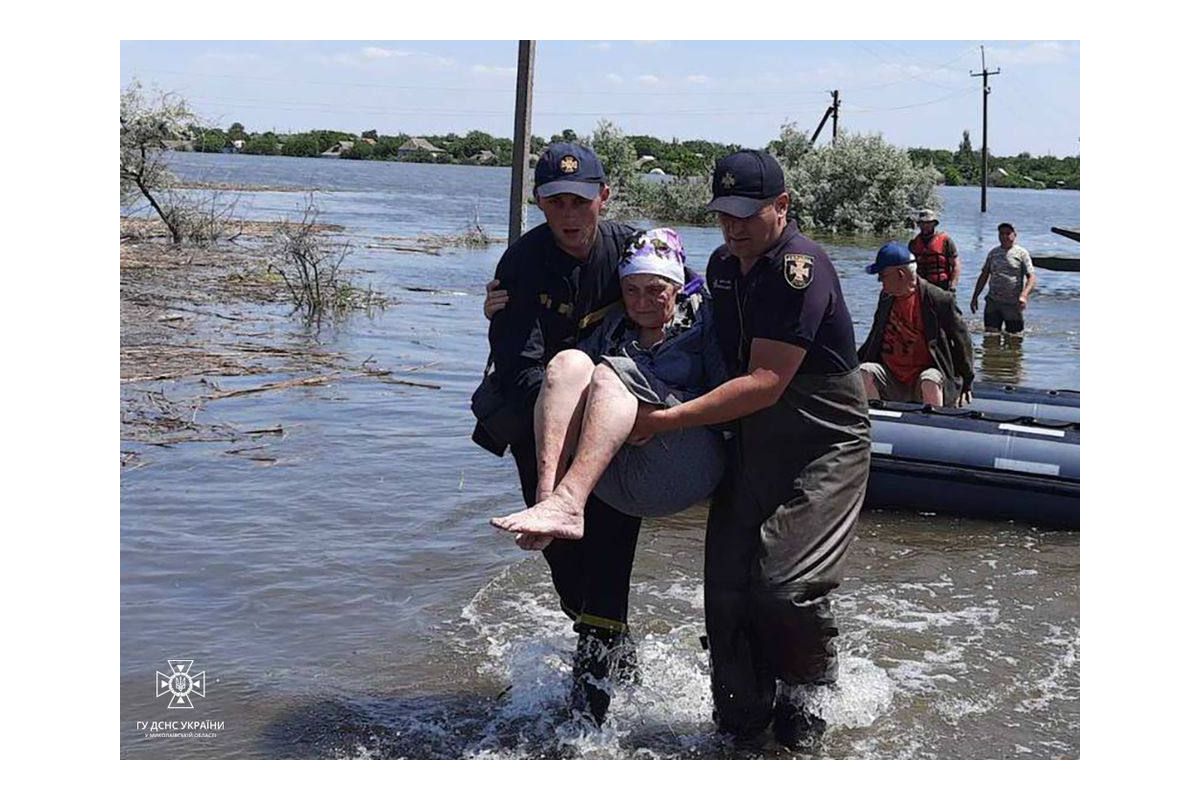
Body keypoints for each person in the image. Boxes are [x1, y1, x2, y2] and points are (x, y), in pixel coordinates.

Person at [629, 150, 871, 749]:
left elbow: (766, 381)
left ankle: (810, 690)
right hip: (750, 440)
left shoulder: (801, 269)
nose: (734, 227)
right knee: (728, 592)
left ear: (782, 206)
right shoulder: (720, 266)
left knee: (784, 586)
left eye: (747, 214)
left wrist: (666, 422)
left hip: (822, 444)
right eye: (723, 215)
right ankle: (739, 721)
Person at [473, 142, 642, 725]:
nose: (569, 214)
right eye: (554, 202)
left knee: (610, 566)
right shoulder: (521, 263)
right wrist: (564, 431)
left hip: (616, 429)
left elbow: (687, 307)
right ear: (539, 204)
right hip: (543, 431)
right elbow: (519, 367)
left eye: (579, 199)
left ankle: (588, 718)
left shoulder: (635, 251)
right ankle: (616, 654)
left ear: (604, 196)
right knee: (569, 576)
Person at [491, 227, 727, 540]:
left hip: (681, 462)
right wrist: (505, 314)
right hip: (618, 467)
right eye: (632, 290)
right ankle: (548, 501)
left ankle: (569, 503)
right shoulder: (616, 325)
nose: (642, 302)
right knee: (567, 363)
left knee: (609, 374)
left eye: (654, 289)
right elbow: (570, 385)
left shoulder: (704, 320)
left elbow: (729, 399)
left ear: (676, 286)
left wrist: (658, 418)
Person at [857, 241, 975, 407]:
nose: (880, 281)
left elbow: (962, 340)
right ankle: (877, 421)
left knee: (930, 379)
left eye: (882, 276)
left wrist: (966, 382)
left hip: (923, 378)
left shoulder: (939, 299)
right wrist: (852, 364)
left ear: (900, 274)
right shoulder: (886, 298)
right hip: (893, 379)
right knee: (865, 371)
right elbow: (874, 337)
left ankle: (933, 426)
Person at [970, 222, 1037, 335]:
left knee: (1015, 338)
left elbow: (1032, 278)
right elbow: (984, 275)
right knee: (990, 337)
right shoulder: (993, 253)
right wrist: (975, 296)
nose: (1004, 236)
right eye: (1001, 234)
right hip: (993, 302)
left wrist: (1024, 295)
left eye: (1008, 233)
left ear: (1015, 235)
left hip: (1013, 304)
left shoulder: (1021, 253)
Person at [908, 208, 961, 291]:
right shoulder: (913, 244)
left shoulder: (946, 241)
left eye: (928, 223)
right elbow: (908, 267)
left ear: (934, 224)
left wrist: (953, 285)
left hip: (941, 285)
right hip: (920, 286)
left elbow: (956, 265)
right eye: (922, 223)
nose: (925, 226)